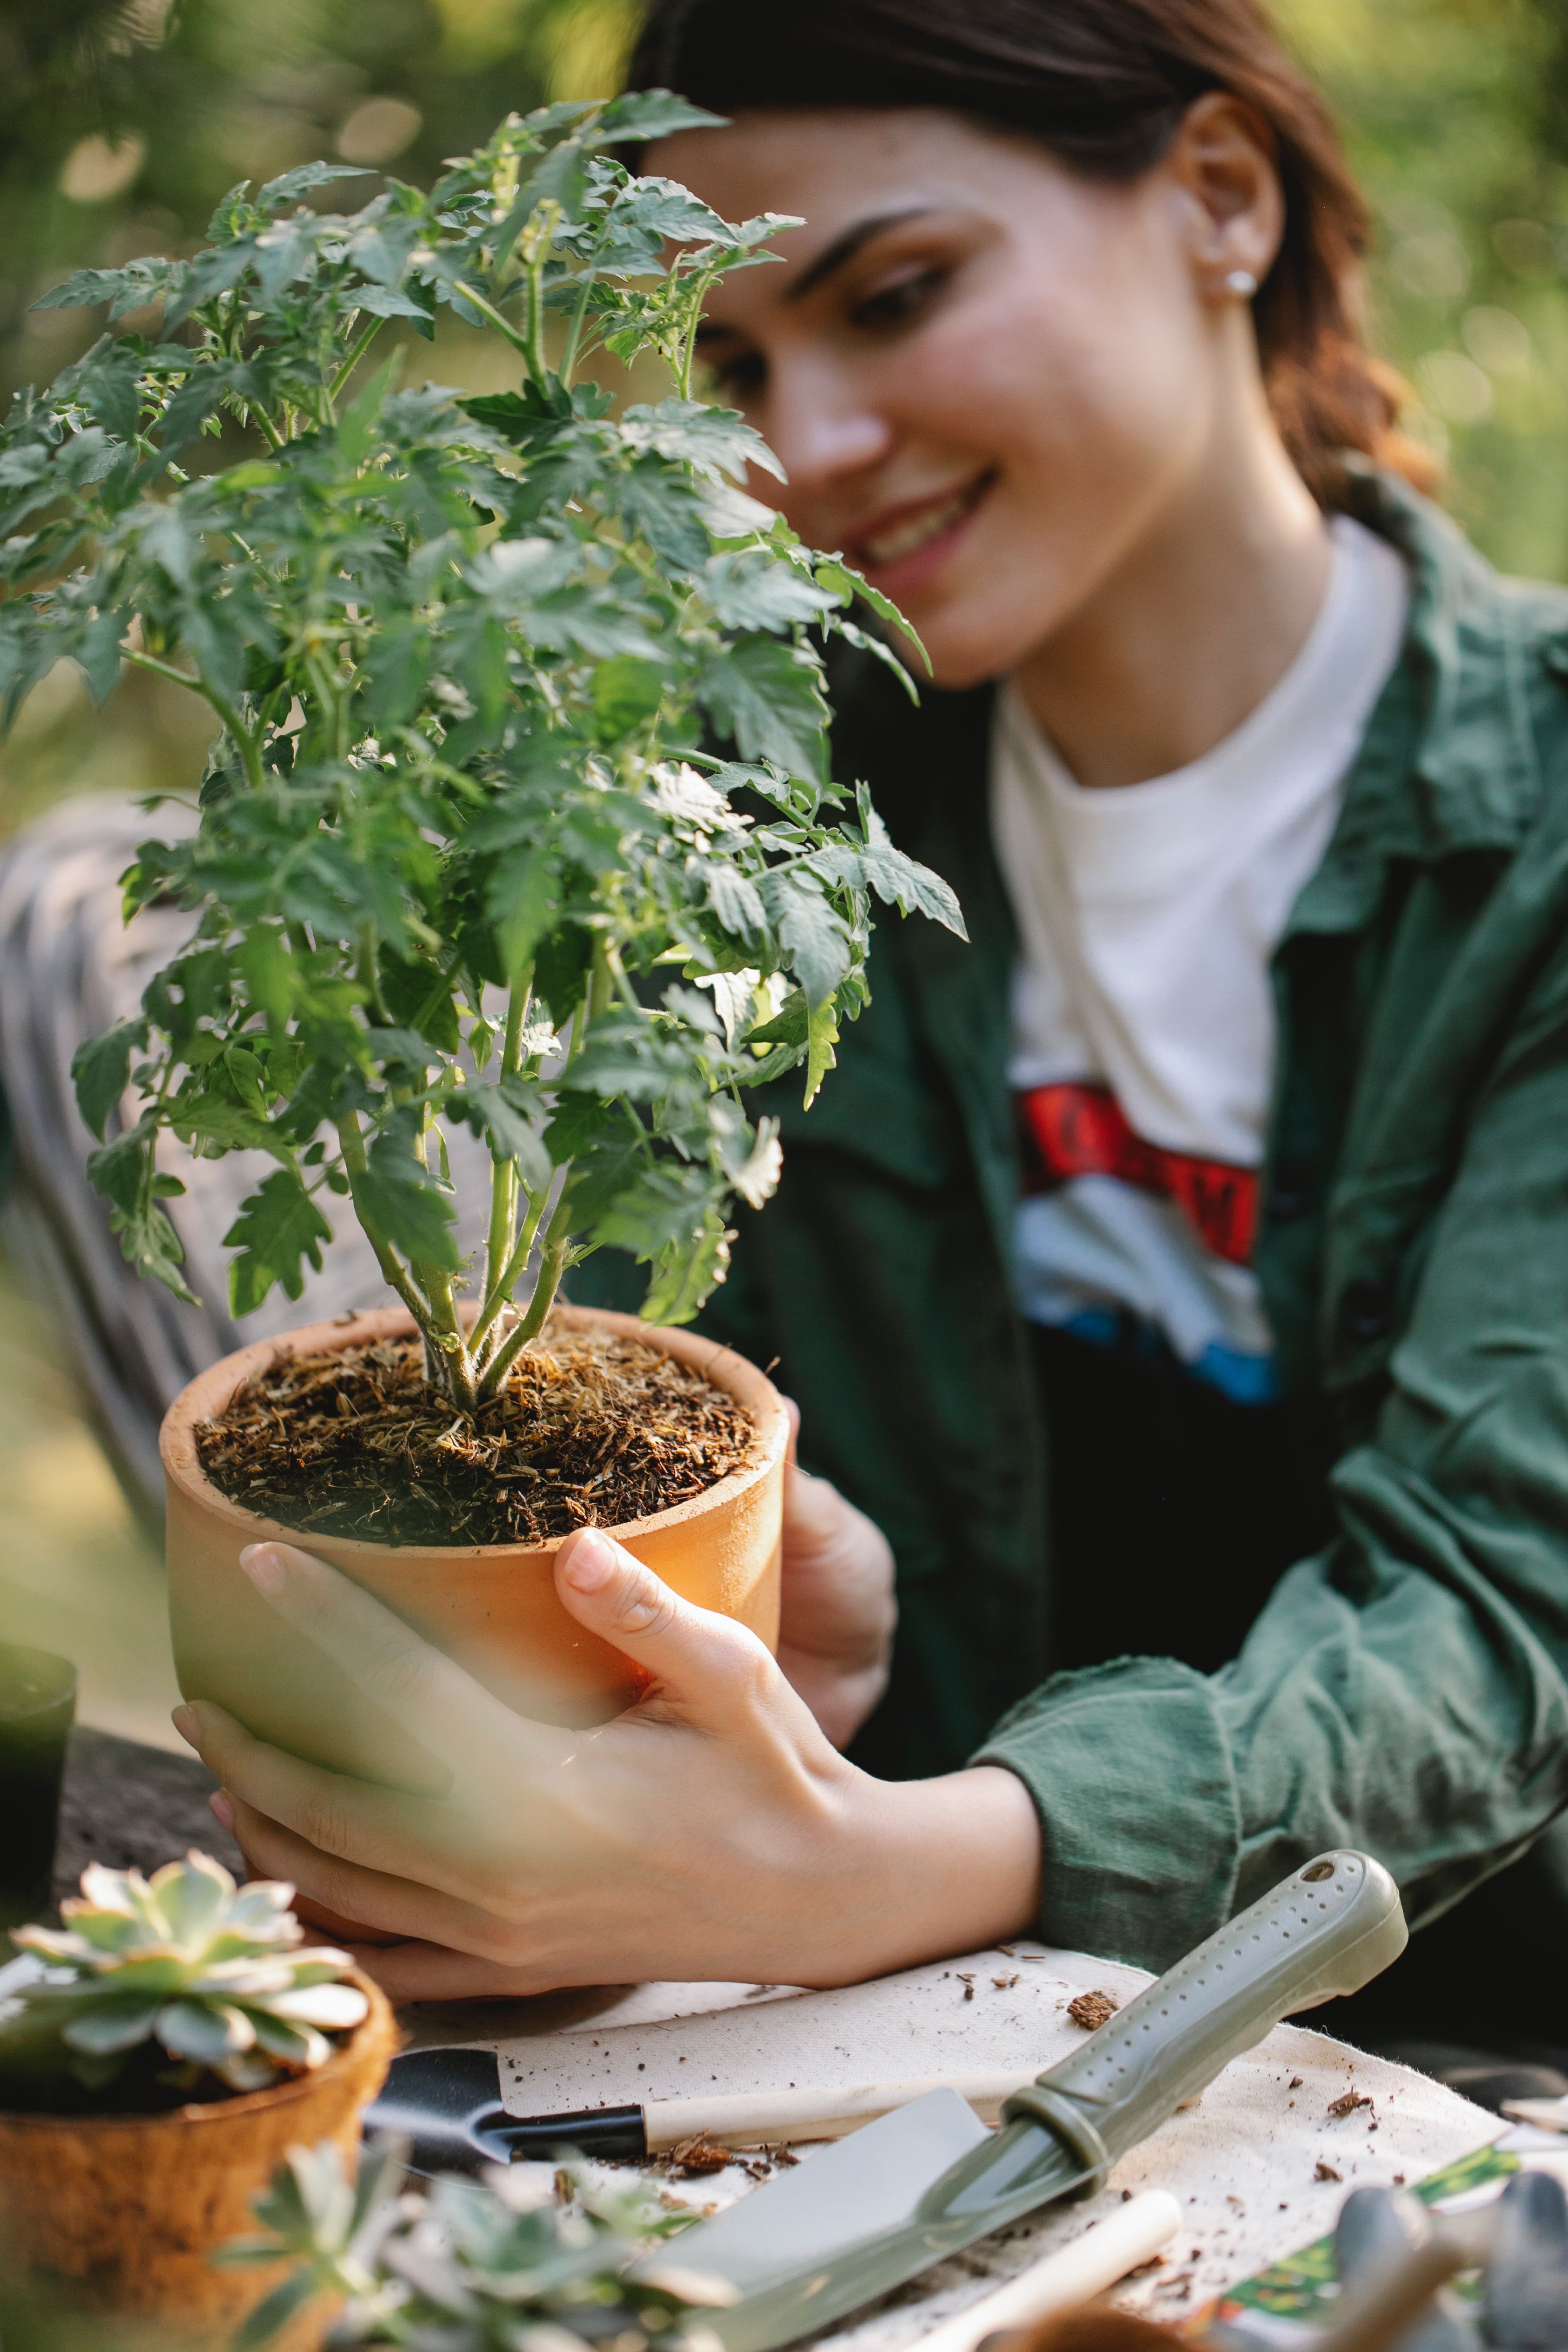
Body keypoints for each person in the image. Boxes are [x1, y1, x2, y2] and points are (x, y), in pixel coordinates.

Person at [175, 0, 1568, 2071]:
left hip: (1459, 2070)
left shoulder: (1533, 820)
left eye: (895, 294)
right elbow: (692, 1422)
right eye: (735, 365)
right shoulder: (741, 830)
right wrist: (742, 1674)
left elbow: (1491, 1606)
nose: (798, 451)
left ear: (1220, 199)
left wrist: (908, 1855)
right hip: (894, 2039)